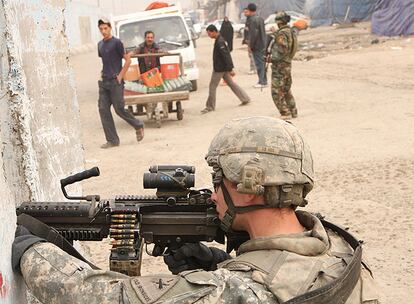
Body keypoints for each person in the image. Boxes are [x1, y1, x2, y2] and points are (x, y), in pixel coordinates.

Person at [12, 117, 380, 303]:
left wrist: (33, 249)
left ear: (248, 187)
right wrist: (217, 264)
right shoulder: (340, 246)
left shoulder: (240, 290)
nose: (213, 192)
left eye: (218, 179)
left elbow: (103, 297)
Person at [97, 18, 144, 148]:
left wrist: (120, 76)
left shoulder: (117, 43)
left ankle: (138, 125)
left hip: (115, 82)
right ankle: (112, 140)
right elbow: (105, 61)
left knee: (119, 109)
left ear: (110, 28)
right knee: (103, 109)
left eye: (105, 28)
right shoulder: (100, 45)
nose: (103, 31)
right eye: (101, 29)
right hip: (104, 82)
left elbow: (127, 60)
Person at [201, 24, 250, 114]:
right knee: (231, 84)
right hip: (222, 67)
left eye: (209, 33)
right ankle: (245, 98)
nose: (208, 35)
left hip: (220, 69)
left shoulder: (220, 41)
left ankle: (210, 106)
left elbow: (226, 56)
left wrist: (230, 68)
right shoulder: (219, 40)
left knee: (212, 86)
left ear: (214, 32)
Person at [270, 11, 298, 119]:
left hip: (280, 66)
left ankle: (285, 112)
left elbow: (282, 49)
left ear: (279, 22)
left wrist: (271, 59)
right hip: (287, 64)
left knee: (276, 91)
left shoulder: (282, 34)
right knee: (286, 90)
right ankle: (293, 111)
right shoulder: (290, 31)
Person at [245, 3, 268, 88]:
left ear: (249, 10)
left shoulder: (252, 20)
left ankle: (262, 82)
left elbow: (253, 35)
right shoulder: (260, 18)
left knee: (259, 64)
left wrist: (250, 46)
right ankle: (264, 81)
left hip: (256, 46)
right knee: (262, 63)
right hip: (262, 44)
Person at [242, 8, 256, 74]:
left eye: (246, 12)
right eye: (244, 12)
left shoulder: (251, 20)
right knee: (251, 55)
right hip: (249, 40)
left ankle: (253, 69)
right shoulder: (248, 19)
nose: (245, 14)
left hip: (252, 40)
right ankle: (254, 68)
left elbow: (252, 31)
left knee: (251, 54)